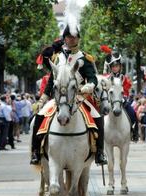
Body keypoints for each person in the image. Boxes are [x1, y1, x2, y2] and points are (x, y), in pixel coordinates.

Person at [30, 25, 107, 166]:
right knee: (40, 115)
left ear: (78, 38)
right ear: (64, 38)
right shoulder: (57, 58)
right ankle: (35, 151)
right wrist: (43, 99)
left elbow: (93, 78)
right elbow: (52, 81)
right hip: (59, 97)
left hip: (79, 96)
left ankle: (100, 152)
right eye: (69, 37)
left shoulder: (85, 58)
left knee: (97, 117)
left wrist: (89, 86)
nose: (72, 39)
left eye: (74, 37)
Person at [103, 49, 138, 141]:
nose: (115, 68)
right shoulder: (106, 78)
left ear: (120, 67)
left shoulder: (124, 78)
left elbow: (127, 88)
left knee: (133, 113)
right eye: (113, 66)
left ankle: (134, 132)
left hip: (121, 100)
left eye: (117, 66)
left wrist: (124, 96)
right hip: (109, 101)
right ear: (110, 67)